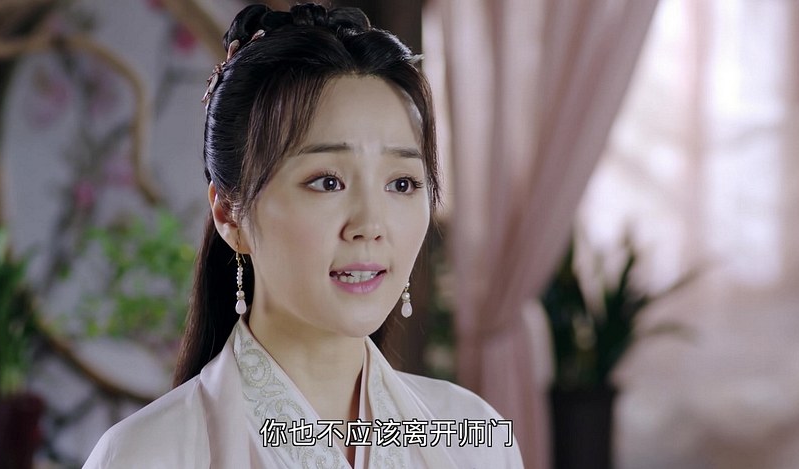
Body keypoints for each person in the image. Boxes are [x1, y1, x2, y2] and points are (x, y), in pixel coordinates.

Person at [84, 3, 524, 468]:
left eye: (401, 183)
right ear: (230, 214)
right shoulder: (146, 455)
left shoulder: (474, 438)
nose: (370, 225)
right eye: (328, 182)